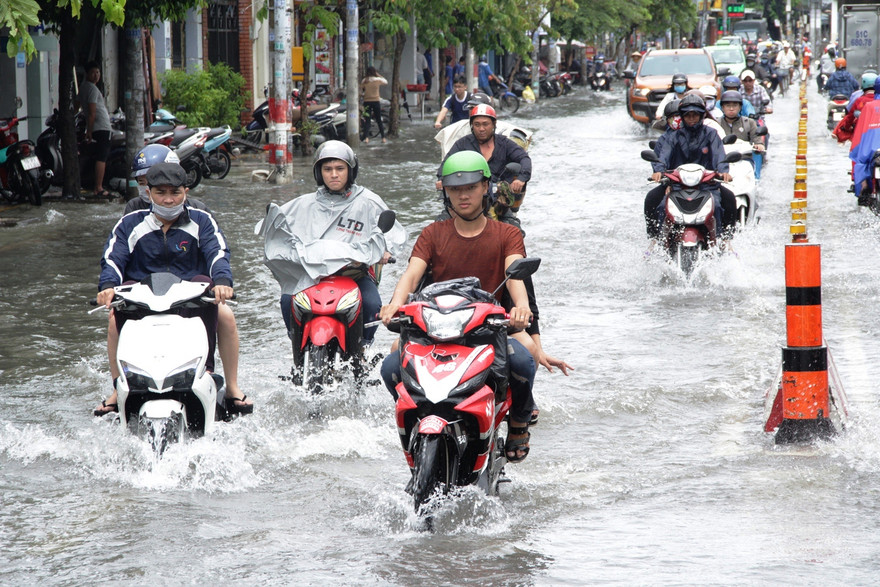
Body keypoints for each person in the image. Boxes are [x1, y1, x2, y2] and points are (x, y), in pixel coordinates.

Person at [380, 151, 540, 463]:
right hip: (434, 328)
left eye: (469, 188)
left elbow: (515, 275)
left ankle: (519, 422)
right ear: (446, 194)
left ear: (486, 188)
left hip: (488, 327)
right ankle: (417, 423)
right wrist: (394, 305)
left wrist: (520, 307)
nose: (462, 195)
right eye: (455, 190)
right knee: (390, 368)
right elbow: (411, 274)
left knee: (522, 361)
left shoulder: (507, 233)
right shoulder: (432, 233)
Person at [94, 162, 253, 416]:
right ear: (149, 193)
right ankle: (118, 387)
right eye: (161, 193)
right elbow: (113, 257)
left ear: (186, 192)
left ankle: (228, 384)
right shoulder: (129, 223)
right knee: (114, 319)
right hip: (144, 299)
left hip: (189, 297)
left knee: (226, 315)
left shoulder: (202, 221)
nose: (168, 200)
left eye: (175, 192)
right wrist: (108, 286)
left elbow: (218, 252)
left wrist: (223, 281)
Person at [259, 140, 406, 347]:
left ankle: (363, 349)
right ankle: (297, 345)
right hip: (313, 275)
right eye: (327, 169)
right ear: (319, 173)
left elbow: (394, 232)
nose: (334, 174)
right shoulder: (304, 203)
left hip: (355, 274)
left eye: (340, 168)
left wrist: (386, 249)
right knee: (286, 299)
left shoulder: (368, 201)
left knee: (372, 303)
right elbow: (277, 226)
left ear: (350, 171)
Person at [644, 94, 736, 240]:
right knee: (661, 206)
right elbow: (663, 156)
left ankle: (723, 240)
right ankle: (659, 242)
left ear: (701, 116)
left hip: (707, 185)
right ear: (682, 116)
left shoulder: (711, 134)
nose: (692, 119)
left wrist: (723, 171)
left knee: (724, 203)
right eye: (688, 115)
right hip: (677, 185)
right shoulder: (673, 137)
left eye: (695, 115)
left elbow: (719, 155)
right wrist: (659, 172)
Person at [435, 104, 531, 206]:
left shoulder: (505, 143)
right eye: (477, 125)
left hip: (497, 198)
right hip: (469, 192)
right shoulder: (462, 143)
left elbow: (524, 158)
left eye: (485, 124)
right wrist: (441, 179)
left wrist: (521, 179)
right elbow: (447, 161)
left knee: (510, 221)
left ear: (493, 124)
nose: (481, 129)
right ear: (472, 126)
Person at [77, 61, 112, 198]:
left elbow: (76, 105)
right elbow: (92, 113)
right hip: (101, 127)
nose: (96, 75)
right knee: (101, 157)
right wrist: (89, 131)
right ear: (87, 74)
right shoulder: (91, 89)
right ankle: (98, 188)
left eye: (98, 72)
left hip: (96, 127)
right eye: (93, 72)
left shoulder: (83, 87)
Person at [717, 90, 766, 165]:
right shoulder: (716, 123)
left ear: (740, 107)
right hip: (722, 162)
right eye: (728, 105)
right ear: (722, 107)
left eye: (735, 105)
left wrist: (759, 145)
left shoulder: (749, 123)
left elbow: (757, 140)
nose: (731, 109)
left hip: (744, 161)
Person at [835, 73, 879, 143]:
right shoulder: (876, 100)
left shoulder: (859, 100)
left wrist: (846, 127)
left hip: (861, 134)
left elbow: (850, 116)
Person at [361, 66, 387, 144]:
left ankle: (366, 138)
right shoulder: (378, 80)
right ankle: (383, 138)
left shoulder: (364, 80)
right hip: (376, 101)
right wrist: (378, 75)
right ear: (374, 72)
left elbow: (361, 89)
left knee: (367, 121)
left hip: (367, 102)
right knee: (379, 120)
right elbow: (386, 81)